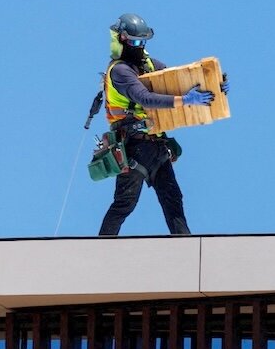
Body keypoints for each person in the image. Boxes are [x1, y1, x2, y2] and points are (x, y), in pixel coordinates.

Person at [98, 13, 229, 236]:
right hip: (133, 148)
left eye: (143, 41)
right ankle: (100, 247)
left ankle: (185, 245)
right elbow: (144, 98)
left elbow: (178, 80)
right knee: (124, 204)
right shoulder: (120, 71)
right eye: (135, 42)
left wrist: (214, 86)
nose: (140, 46)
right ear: (122, 40)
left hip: (157, 144)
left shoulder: (148, 64)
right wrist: (185, 100)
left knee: (173, 199)